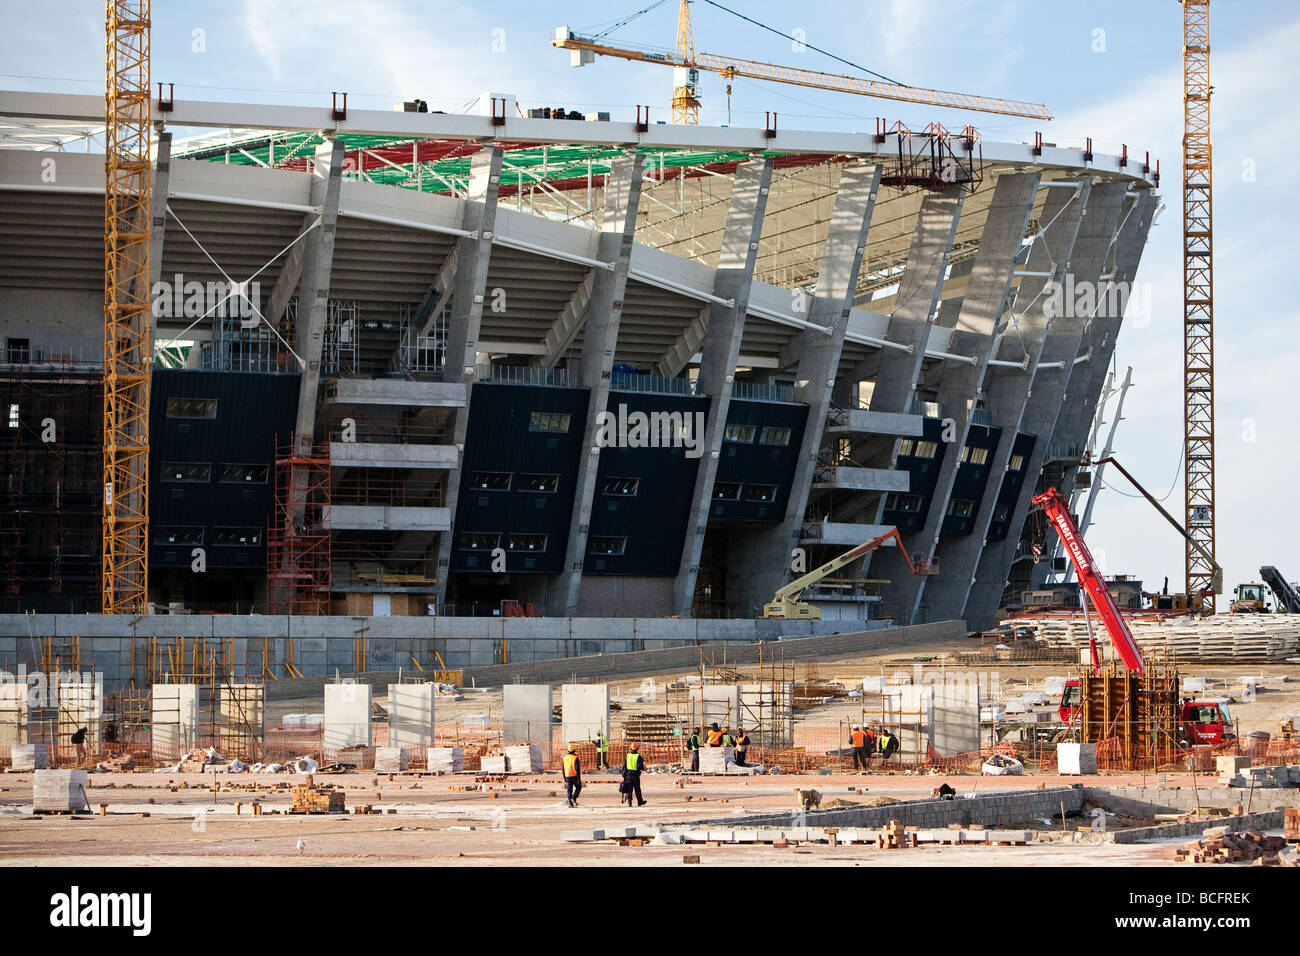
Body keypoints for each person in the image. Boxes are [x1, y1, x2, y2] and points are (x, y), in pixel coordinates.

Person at [623, 742, 647, 807]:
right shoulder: (638, 756)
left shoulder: (627, 756)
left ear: (631, 748)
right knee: (637, 789)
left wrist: (624, 775)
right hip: (635, 775)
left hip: (628, 775)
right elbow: (640, 766)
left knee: (629, 790)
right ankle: (640, 801)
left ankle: (629, 803)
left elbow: (624, 766)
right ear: (637, 748)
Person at [561, 743, 583, 807]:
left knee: (569, 790)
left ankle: (570, 803)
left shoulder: (564, 758)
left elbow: (563, 769)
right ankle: (574, 798)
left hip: (567, 776)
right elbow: (577, 769)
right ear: (574, 751)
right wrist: (579, 779)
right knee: (578, 787)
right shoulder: (575, 758)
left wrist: (564, 778)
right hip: (574, 776)